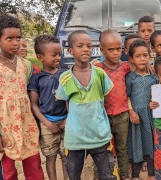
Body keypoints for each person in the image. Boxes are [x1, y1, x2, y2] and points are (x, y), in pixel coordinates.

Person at [0, 14, 44, 180]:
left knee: (34, 165)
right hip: (5, 127)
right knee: (8, 171)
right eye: (10, 38)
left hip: (27, 123)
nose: (16, 43)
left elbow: (30, 92)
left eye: (18, 38)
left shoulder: (25, 65)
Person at [55, 30, 116, 180]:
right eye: (80, 46)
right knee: (74, 175)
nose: (85, 49)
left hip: (99, 135)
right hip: (76, 138)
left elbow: (105, 98)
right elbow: (66, 102)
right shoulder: (65, 78)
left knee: (107, 175)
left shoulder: (100, 74)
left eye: (89, 46)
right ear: (70, 51)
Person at [28, 34, 68, 180]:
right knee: (50, 157)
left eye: (59, 54)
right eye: (54, 55)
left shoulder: (65, 75)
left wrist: (67, 120)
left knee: (66, 156)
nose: (58, 57)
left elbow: (71, 100)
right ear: (40, 57)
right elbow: (34, 105)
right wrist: (48, 124)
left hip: (65, 121)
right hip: (47, 123)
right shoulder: (36, 78)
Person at [92, 29, 130, 179]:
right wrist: (92, 63)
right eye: (111, 49)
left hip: (122, 116)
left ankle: (124, 176)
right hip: (103, 117)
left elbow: (140, 66)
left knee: (122, 149)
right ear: (102, 50)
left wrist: (149, 66)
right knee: (102, 150)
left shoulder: (125, 67)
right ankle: (100, 176)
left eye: (118, 49)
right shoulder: (97, 69)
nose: (116, 53)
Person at [126, 39, 158, 180]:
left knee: (150, 144)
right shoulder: (130, 78)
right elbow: (126, 96)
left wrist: (153, 104)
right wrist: (131, 111)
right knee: (135, 145)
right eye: (138, 56)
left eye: (145, 55)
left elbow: (157, 95)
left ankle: (152, 174)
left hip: (150, 116)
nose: (142, 59)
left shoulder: (154, 78)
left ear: (150, 56)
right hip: (136, 117)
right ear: (132, 59)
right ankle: (135, 175)